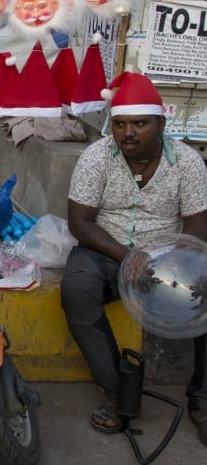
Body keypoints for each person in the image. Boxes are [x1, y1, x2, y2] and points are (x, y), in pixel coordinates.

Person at [60, 71, 207, 444]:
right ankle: (118, 393)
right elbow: (80, 222)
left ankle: (202, 400)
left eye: (140, 124)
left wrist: (167, 261)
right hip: (106, 251)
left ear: (160, 123)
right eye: (120, 123)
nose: (128, 133)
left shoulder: (187, 163)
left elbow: (197, 226)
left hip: (168, 257)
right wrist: (129, 257)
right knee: (77, 289)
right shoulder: (97, 157)